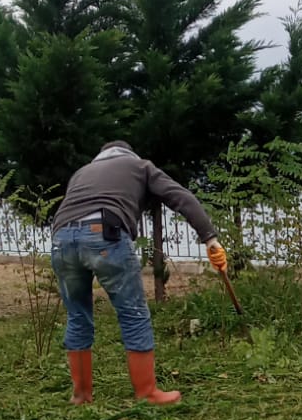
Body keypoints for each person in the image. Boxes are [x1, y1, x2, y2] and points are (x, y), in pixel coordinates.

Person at [51, 141, 227, 406]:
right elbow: (181, 197)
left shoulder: (82, 172)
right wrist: (210, 239)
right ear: (128, 154)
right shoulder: (139, 166)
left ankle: (81, 395)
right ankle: (147, 393)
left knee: (77, 315)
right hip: (105, 233)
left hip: (61, 239)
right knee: (132, 312)